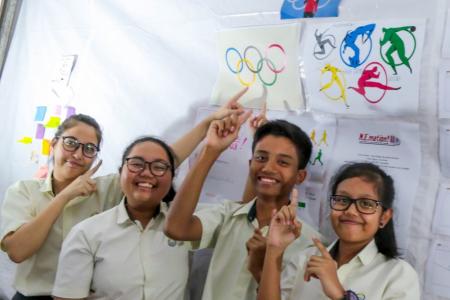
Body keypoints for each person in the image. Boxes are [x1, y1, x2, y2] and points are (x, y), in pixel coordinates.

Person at [0, 90, 246, 299]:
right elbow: (18, 251)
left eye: (89, 149)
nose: (77, 154)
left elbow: (157, 162)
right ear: (54, 143)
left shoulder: (104, 188)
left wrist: (206, 126)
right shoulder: (24, 191)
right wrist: (64, 197)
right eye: (70, 143)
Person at [164, 118, 321, 300]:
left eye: (283, 162)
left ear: (300, 176)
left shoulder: (311, 244)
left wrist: (267, 264)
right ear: (249, 164)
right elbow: (175, 228)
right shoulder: (228, 215)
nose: (268, 167)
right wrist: (211, 150)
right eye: (261, 158)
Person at [257, 162, 420, 300]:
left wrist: (340, 294)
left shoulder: (398, 274)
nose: (351, 211)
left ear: (384, 217)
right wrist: (274, 249)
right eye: (342, 200)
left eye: (366, 204)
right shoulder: (305, 259)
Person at [52, 136, 188, 299]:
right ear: (120, 172)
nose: (146, 173)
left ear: (172, 177)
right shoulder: (86, 233)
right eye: (136, 164)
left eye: (159, 167)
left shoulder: (186, 226)